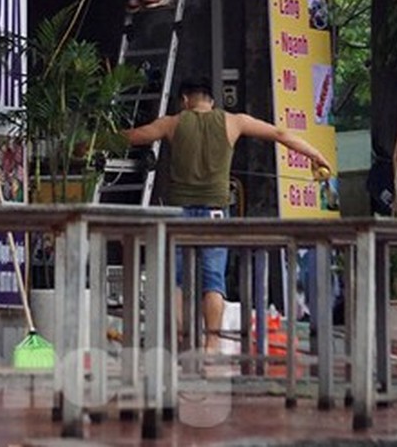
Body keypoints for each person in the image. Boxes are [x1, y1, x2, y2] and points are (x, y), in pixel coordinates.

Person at [122, 77, 332, 354]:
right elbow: (280, 134)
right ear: (212, 100)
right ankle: (211, 344)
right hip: (216, 213)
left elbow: (133, 136)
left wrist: (87, 142)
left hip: (177, 213)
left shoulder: (171, 123)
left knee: (176, 280)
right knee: (213, 281)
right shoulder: (235, 122)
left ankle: (180, 342)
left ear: (185, 100)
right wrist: (315, 154)